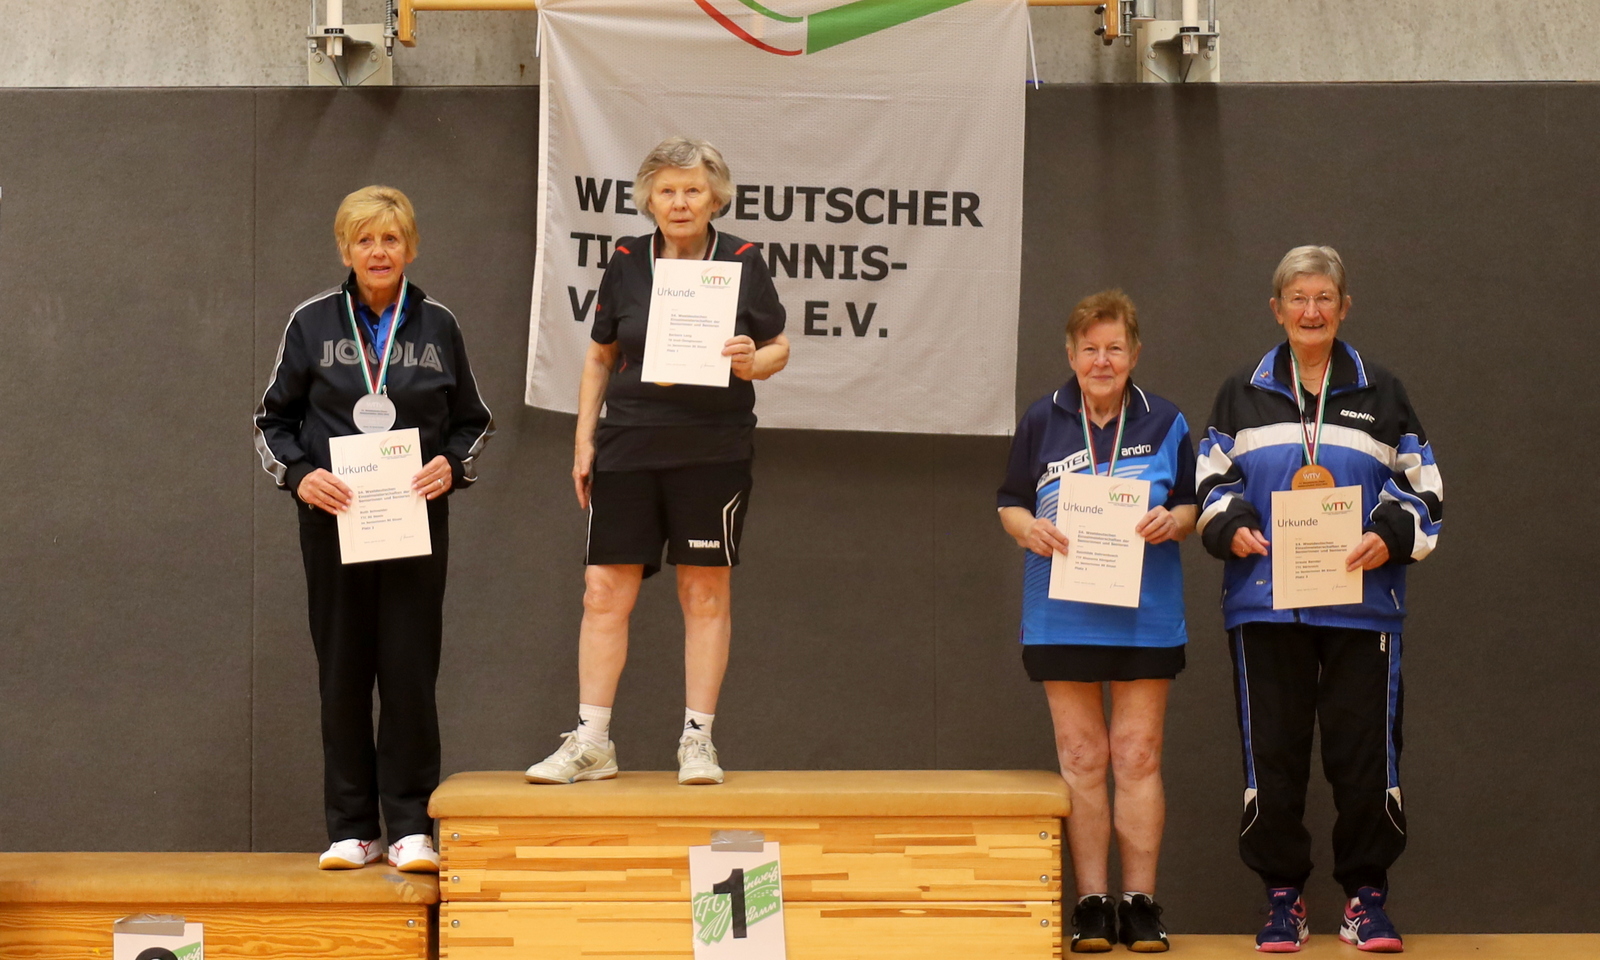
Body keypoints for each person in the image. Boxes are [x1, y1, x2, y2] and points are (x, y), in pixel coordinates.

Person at [1196, 246, 1442, 953]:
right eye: (1298, 299)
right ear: (1277, 309)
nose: (1311, 311)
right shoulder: (1241, 392)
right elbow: (1209, 482)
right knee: (1272, 755)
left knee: (1364, 756)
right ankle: (1283, 899)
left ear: (1344, 307)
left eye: (1324, 298)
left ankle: (1366, 898)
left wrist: (1388, 535)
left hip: (1362, 603)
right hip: (1265, 600)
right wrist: (1233, 525)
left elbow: (1424, 486)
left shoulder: (1382, 392)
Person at [525, 137, 789, 787]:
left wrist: (753, 362)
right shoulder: (625, 260)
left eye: (693, 189)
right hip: (629, 445)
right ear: (648, 199)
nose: (680, 202)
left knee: (704, 591)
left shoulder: (743, 260)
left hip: (712, 448)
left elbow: (778, 346)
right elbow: (600, 355)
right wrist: (584, 441)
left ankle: (698, 739)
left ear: (716, 197)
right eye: (667, 190)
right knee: (602, 591)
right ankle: (592, 742)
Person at [254, 185, 494, 872]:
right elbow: (271, 423)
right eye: (365, 239)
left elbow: (474, 422)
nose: (379, 251)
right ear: (346, 249)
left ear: (410, 247)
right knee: (344, 674)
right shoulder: (310, 323)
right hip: (336, 523)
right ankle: (355, 828)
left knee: (410, 673)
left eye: (391, 238)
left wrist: (453, 465)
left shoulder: (439, 324)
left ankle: (412, 825)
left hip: (414, 522)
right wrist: (300, 476)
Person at [997, 290, 1195, 954]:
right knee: (1082, 757)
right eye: (1090, 349)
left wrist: (1176, 520)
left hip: (1145, 613)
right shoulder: (1042, 418)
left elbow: (1193, 503)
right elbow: (1010, 501)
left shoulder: (1166, 420)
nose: (1102, 361)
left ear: (1134, 353)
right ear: (1071, 354)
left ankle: (1139, 903)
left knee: (1137, 755)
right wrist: (1027, 529)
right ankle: (1090, 903)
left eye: (1114, 348)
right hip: (1062, 612)